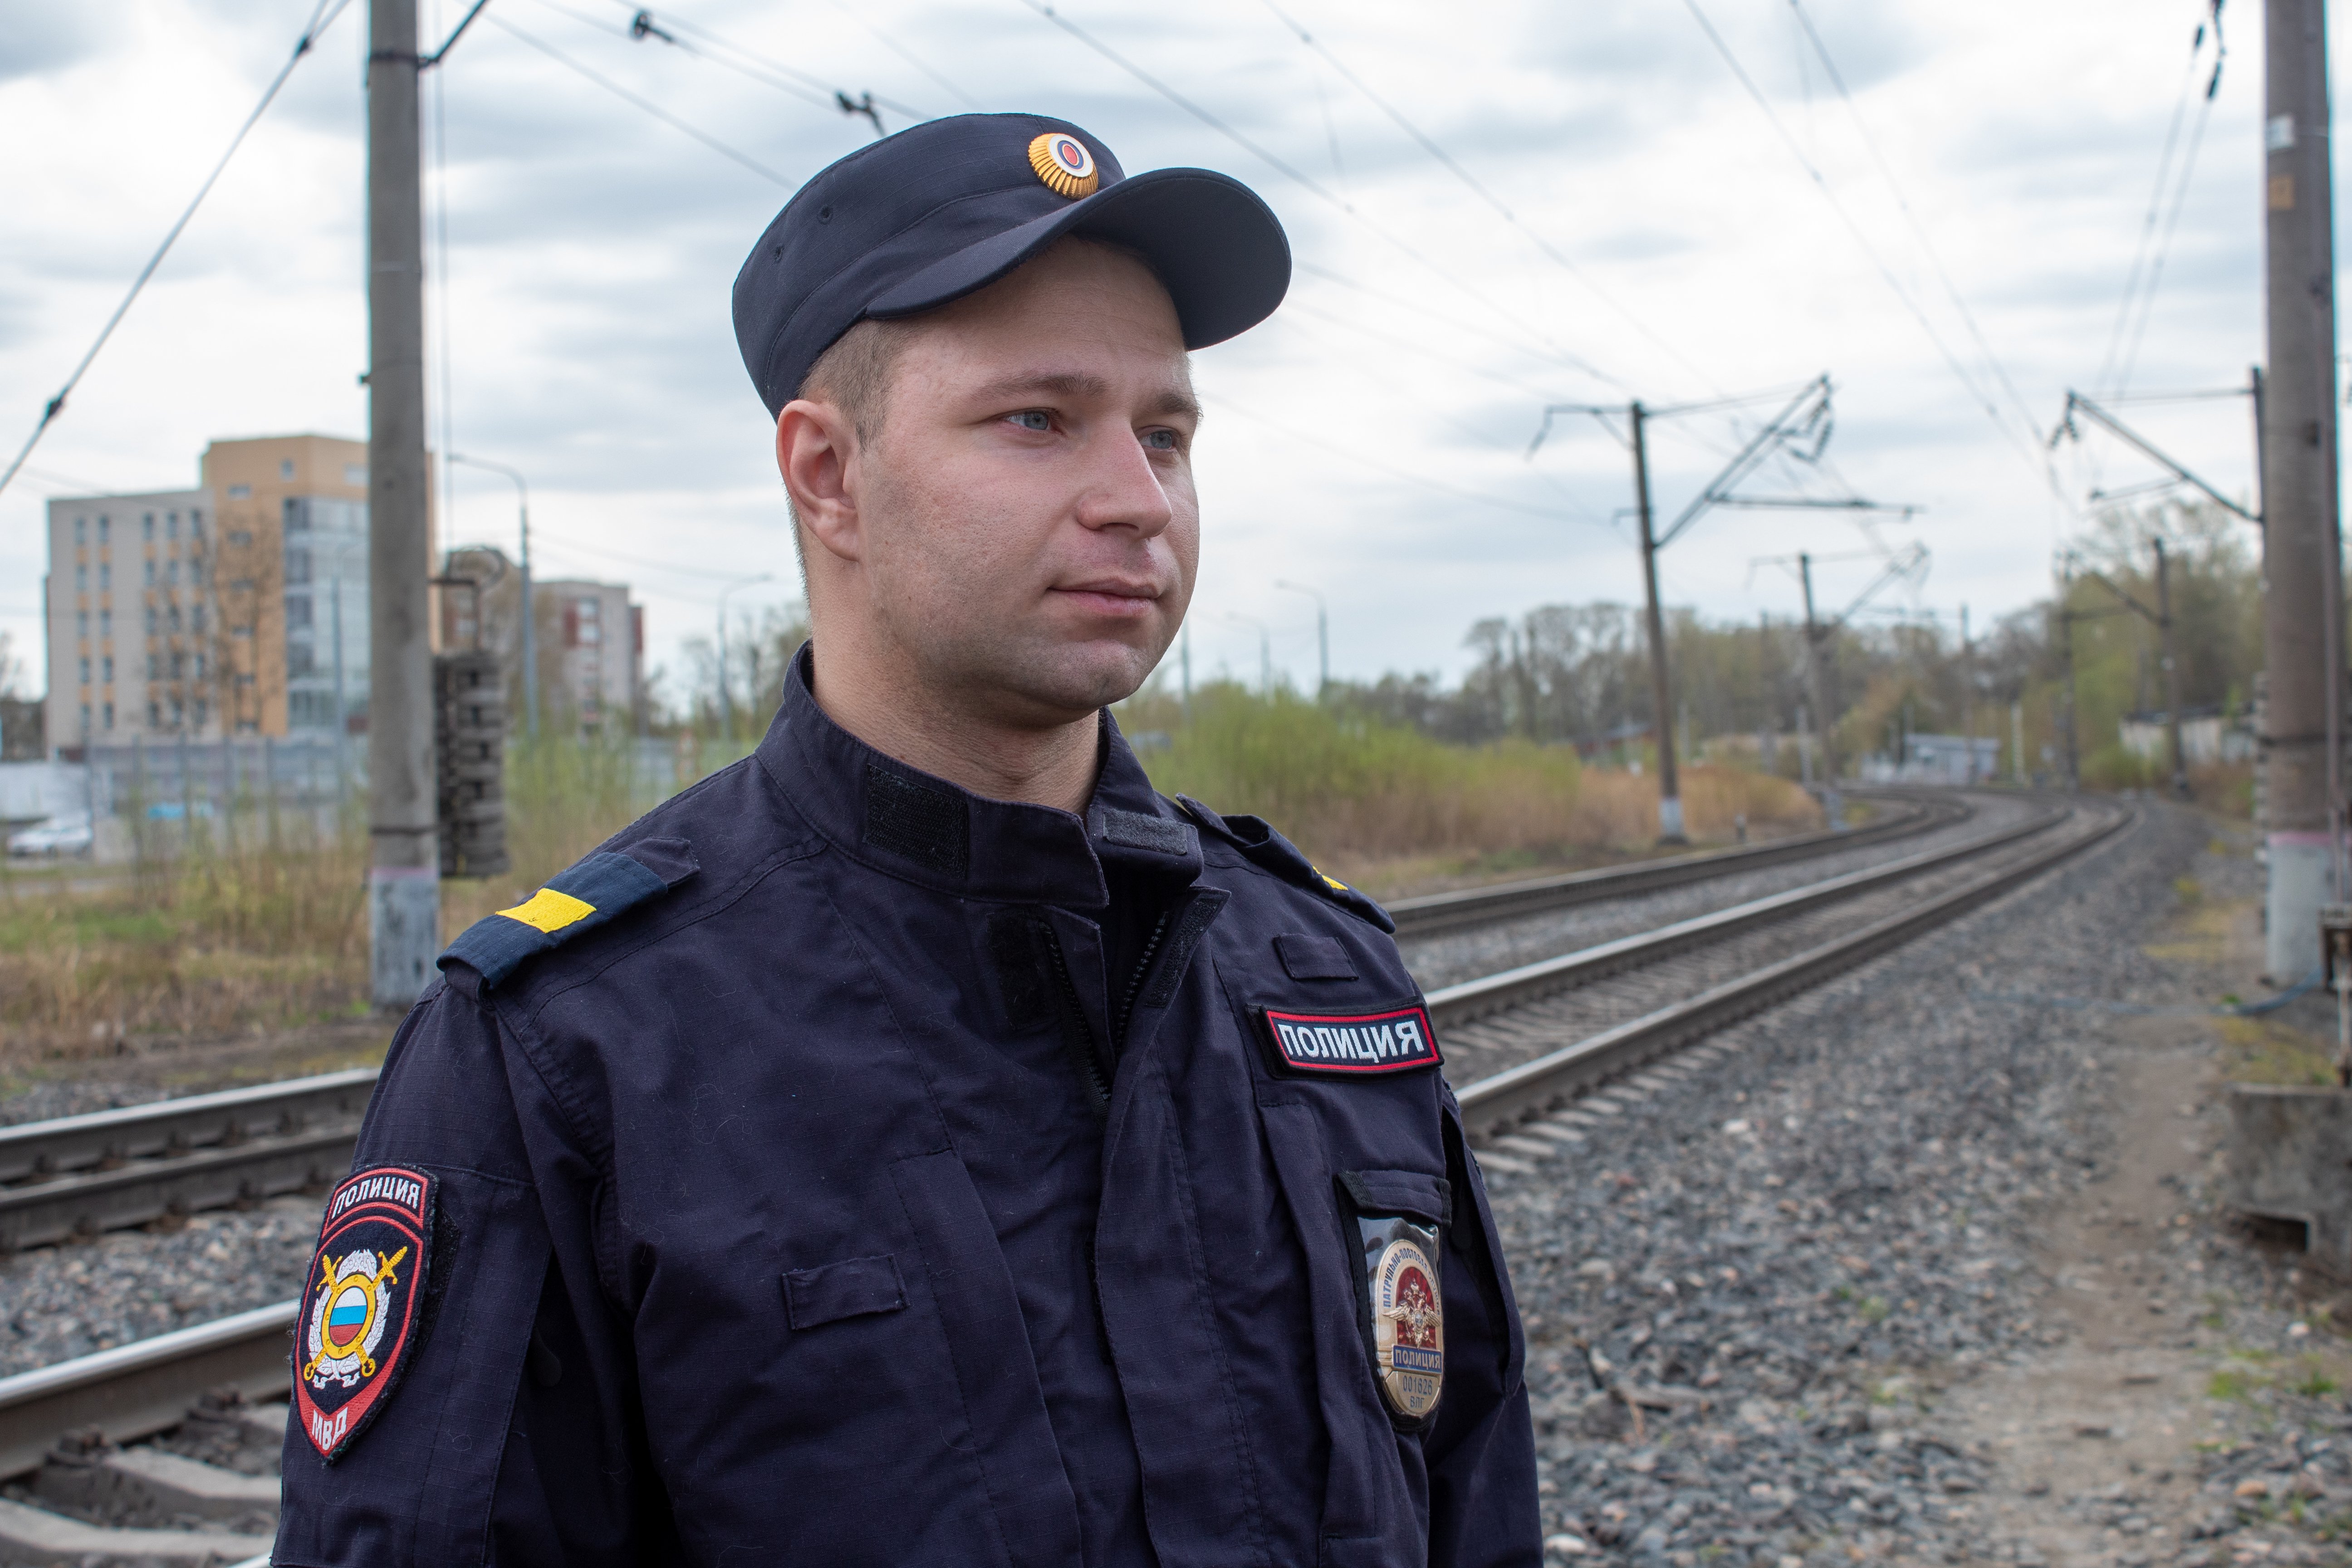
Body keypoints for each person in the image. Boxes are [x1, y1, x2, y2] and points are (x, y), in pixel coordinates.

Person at [274, 111, 1538, 1568]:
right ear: (826, 475)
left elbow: (1474, 1505)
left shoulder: (1323, 982)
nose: (1139, 499)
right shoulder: (577, 1053)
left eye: (1167, 433)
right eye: (1038, 420)